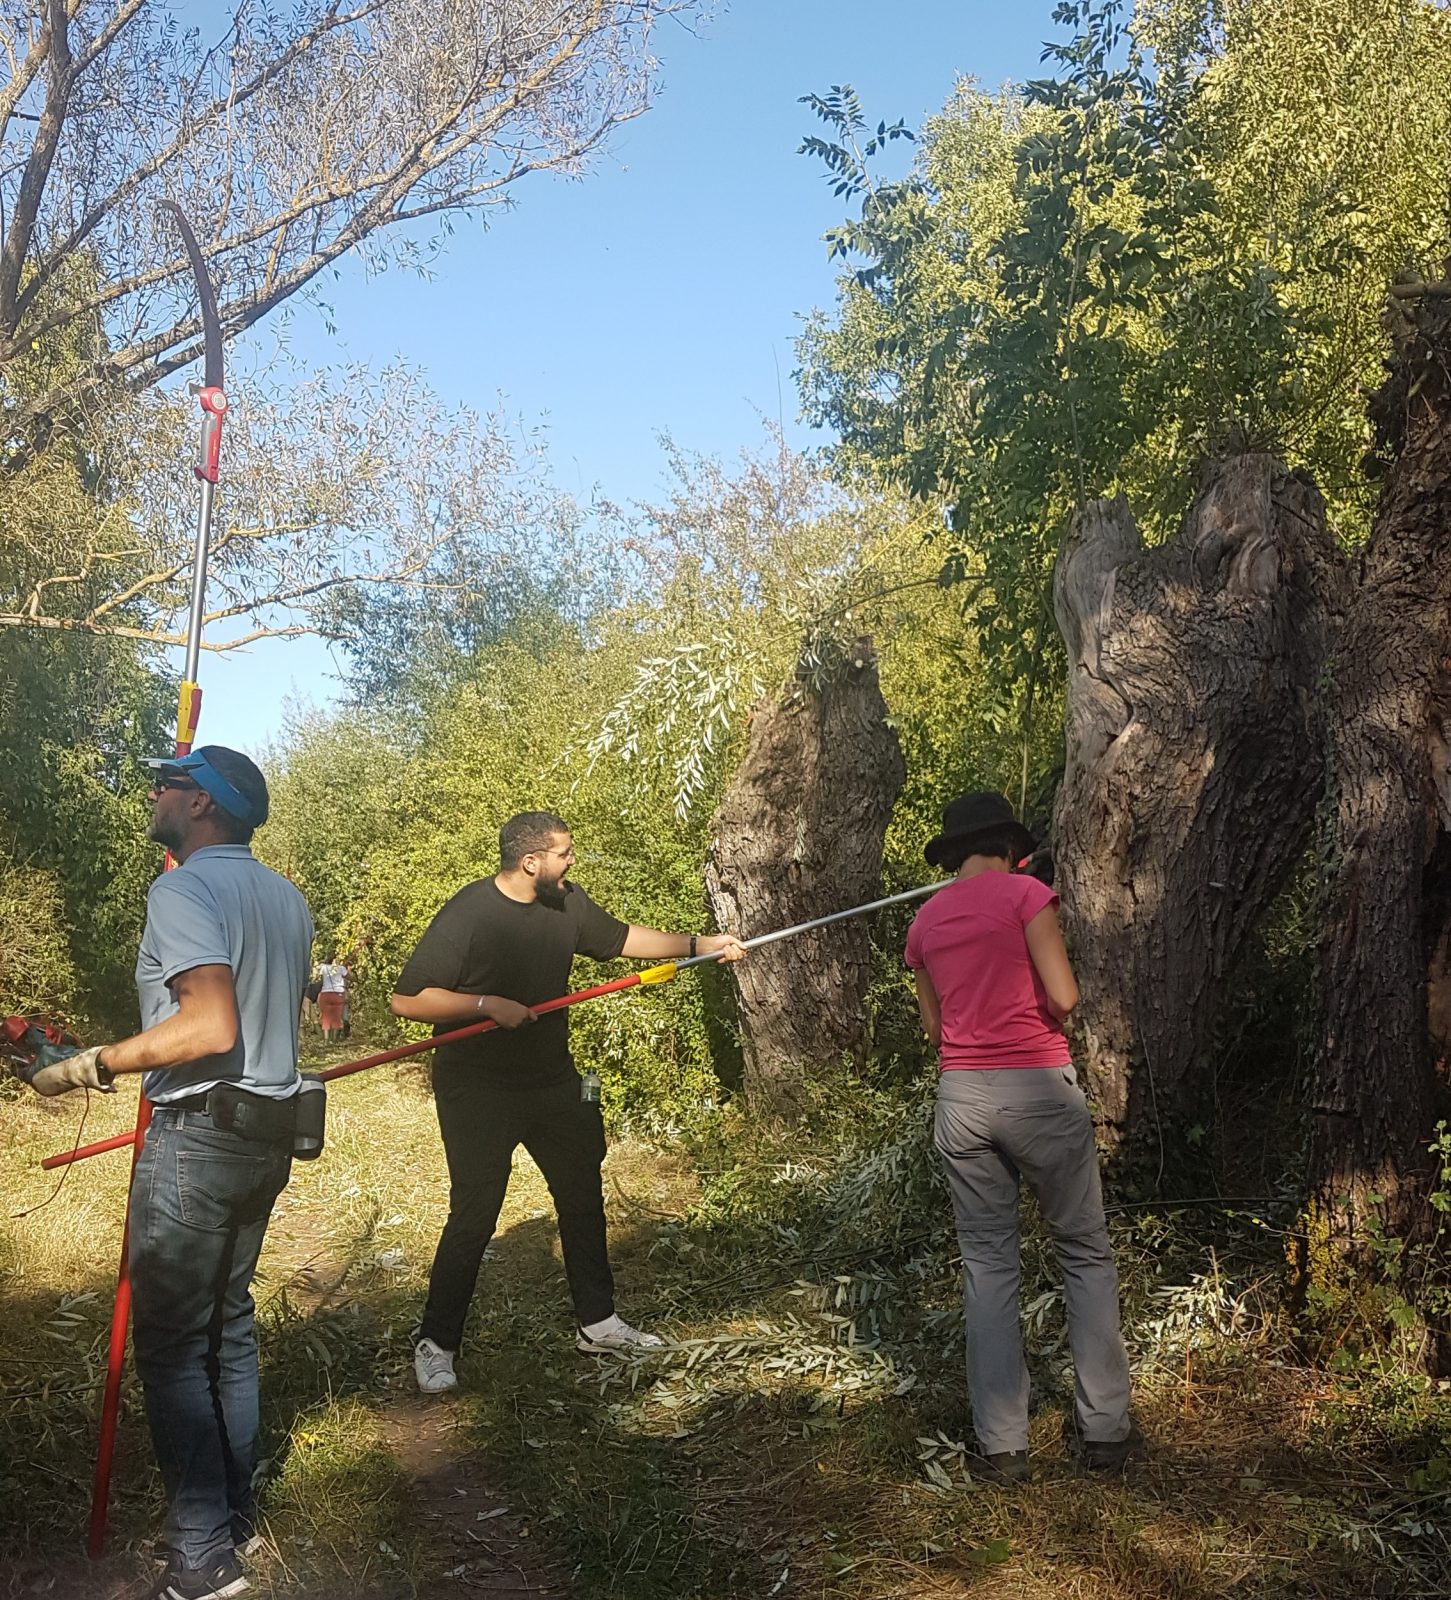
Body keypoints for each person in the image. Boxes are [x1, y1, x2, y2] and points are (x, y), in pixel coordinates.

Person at [21, 745, 313, 1600]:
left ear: (204, 808)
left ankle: (199, 1561)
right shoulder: (285, 896)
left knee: (176, 1348)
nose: (155, 792)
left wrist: (91, 1065)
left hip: (200, 1137)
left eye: (171, 784)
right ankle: (230, 1515)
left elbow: (210, 1025)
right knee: (228, 1325)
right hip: (267, 1135)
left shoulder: (183, 888)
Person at [391, 810, 745, 1393]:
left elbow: (623, 939)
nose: (571, 860)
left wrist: (698, 944)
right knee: (476, 1211)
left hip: (551, 1079)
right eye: (564, 853)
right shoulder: (470, 912)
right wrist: (486, 1006)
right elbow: (409, 999)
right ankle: (437, 1342)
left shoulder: (568, 903)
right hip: (476, 1086)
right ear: (531, 862)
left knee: (582, 1194)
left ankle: (598, 1323)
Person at [905, 792, 1137, 1484]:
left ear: (952, 855)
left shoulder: (922, 921)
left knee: (986, 1266)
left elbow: (933, 1031)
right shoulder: (1026, 895)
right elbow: (1063, 997)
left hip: (962, 1098)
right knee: (1083, 1253)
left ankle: (1001, 1445)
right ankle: (1104, 1433)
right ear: (1009, 847)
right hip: (1035, 1085)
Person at [316, 954, 348, 1044]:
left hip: (325, 994)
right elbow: (350, 977)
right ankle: (334, 1039)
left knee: (325, 1016)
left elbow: (321, 979)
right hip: (338, 994)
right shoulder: (341, 968)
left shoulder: (324, 967)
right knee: (337, 1017)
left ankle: (326, 1040)